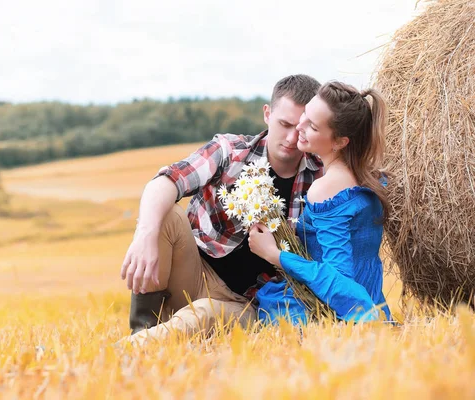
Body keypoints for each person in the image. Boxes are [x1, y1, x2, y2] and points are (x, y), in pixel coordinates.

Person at [119, 74, 323, 343]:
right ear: (267, 114)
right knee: (165, 214)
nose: (290, 137)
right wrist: (145, 234)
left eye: (300, 128)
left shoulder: (320, 178)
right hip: (195, 273)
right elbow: (167, 181)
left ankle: (128, 349)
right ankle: (141, 328)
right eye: (284, 124)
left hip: (250, 303)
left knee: (203, 314)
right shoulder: (230, 150)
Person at [248, 81, 393, 325]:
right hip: (373, 299)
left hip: (335, 312)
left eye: (312, 126)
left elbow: (338, 279)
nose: (299, 129)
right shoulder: (369, 176)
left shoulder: (326, 189)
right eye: (305, 114)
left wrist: (275, 255)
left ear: (339, 141)